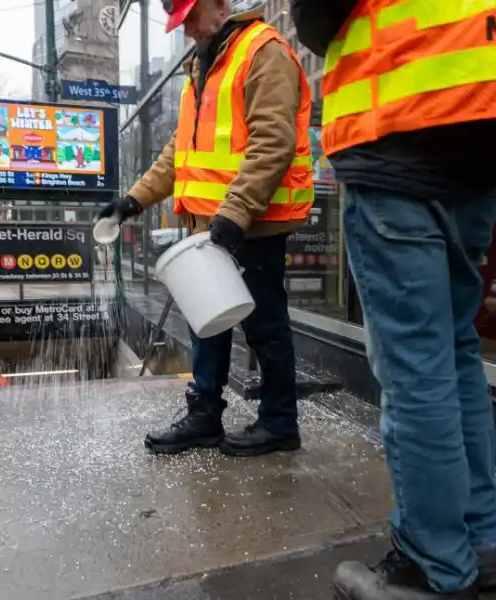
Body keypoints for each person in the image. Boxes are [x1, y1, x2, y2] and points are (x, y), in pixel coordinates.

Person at [291, 2, 496, 599]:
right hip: (494, 114)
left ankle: (433, 567)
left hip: (404, 122)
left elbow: (317, 17)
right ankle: (476, 547)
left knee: (416, 366)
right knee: (455, 347)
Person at [100, 0, 314, 457]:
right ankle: (204, 417)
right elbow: (180, 152)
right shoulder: (204, 66)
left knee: (264, 326)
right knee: (206, 323)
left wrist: (234, 215)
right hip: (209, 224)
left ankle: (279, 423)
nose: (188, 31)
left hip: (251, 223)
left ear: (220, 5)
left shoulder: (263, 51)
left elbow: (272, 142)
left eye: (192, 18)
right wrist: (132, 201)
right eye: (182, 23)